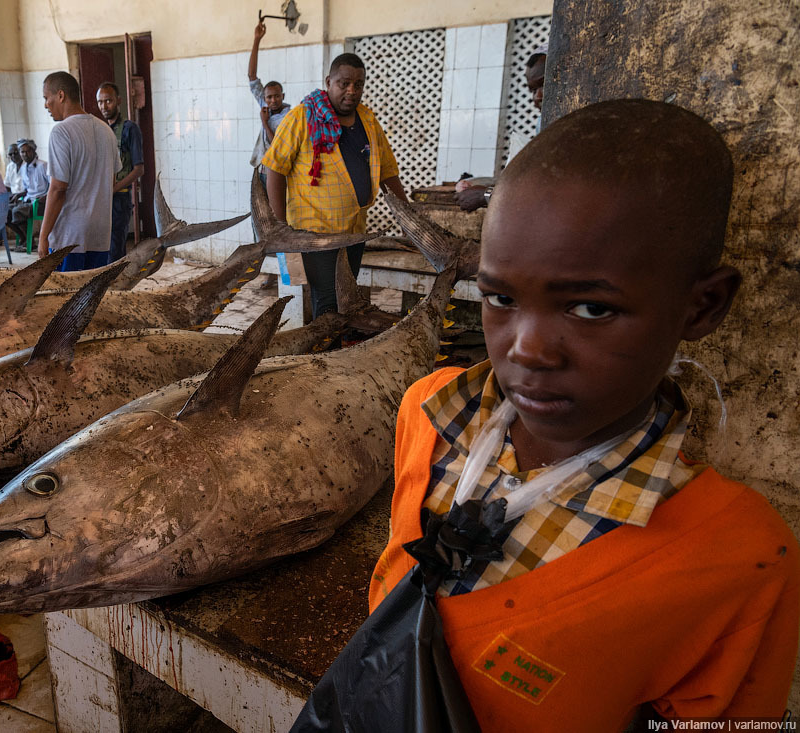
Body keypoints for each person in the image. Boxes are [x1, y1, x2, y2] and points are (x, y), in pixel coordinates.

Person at [339, 100, 798, 727]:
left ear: (702, 307)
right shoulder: (429, 411)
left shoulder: (738, 558)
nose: (526, 349)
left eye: (590, 309)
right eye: (499, 297)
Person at [262, 52, 405, 318]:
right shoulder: (302, 117)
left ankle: (337, 351)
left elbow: (387, 171)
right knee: (328, 302)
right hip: (315, 233)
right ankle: (324, 356)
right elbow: (275, 169)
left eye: (359, 84)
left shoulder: (368, 121)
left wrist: (409, 219)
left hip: (354, 230)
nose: (352, 91)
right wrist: (279, 228)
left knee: (347, 297)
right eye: (344, 83)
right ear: (329, 81)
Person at [38, 71, 118, 272]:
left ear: (61, 95)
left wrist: (43, 236)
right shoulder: (106, 130)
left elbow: (57, 189)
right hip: (100, 234)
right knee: (91, 298)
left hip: (69, 237)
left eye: (47, 98)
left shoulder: (61, 132)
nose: (46, 105)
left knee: (66, 298)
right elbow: (112, 179)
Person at [455, 46, 546, 212]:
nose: (537, 97)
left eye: (545, 84)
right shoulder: (544, 125)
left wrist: (488, 195)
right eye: (532, 90)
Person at [96, 82, 144, 261]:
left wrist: (113, 189)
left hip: (119, 199)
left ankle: (116, 288)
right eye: (100, 102)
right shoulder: (100, 130)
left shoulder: (130, 129)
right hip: (102, 199)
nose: (104, 106)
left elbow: (139, 169)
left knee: (115, 251)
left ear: (118, 101)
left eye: (108, 101)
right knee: (102, 248)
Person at [247, 20, 291, 173]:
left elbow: (277, 144)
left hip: (278, 170)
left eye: (277, 96)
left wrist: (265, 123)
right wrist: (257, 40)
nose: (273, 100)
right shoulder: (265, 107)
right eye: (269, 97)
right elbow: (252, 75)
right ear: (264, 99)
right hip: (262, 166)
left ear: (282, 96)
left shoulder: (288, 116)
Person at [8, 139, 49, 241]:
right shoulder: (23, 168)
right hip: (28, 200)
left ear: (33, 151)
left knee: (17, 212)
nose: (25, 154)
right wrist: (18, 195)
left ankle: (29, 240)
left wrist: (45, 197)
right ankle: (24, 239)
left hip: (41, 202)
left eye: (28, 151)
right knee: (6, 211)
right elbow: (27, 189)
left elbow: (52, 185)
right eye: (22, 152)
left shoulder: (42, 165)